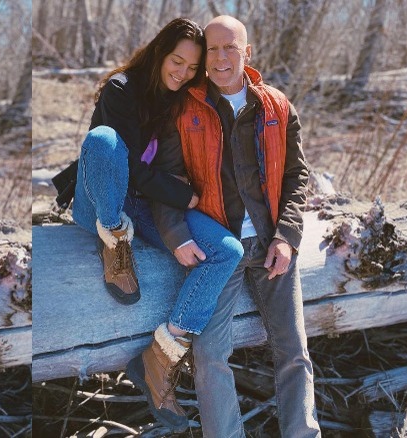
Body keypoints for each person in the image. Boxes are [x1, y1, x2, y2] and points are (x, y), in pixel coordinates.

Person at [62, 18, 244, 432]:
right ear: (160, 53)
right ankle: (114, 244)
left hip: (143, 203)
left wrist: (180, 212)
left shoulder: (180, 102)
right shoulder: (122, 88)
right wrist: (184, 196)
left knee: (226, 251)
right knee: (105, 141)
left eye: (191, 68)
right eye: (176, 61)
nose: (182, 72)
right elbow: (123, 167)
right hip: (98, 201)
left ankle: (160, 356)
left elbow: (164, 173)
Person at [153, 15, 322, 436]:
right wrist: (176, 235)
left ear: (247, 53)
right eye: (213, 49)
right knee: (210, 356)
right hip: (219, 249)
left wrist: (287, 237)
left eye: (231, 48)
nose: (222, 57)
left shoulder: (277, 107)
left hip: (270, 246)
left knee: (293, 350)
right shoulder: (183, 108)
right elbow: (167, 180)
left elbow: (297, 178)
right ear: (203, 56)